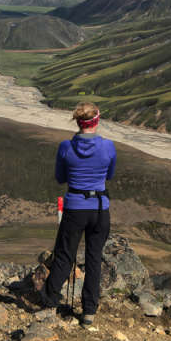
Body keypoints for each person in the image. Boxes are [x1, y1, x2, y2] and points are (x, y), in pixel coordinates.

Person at [42, 101, 116, 324]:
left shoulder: (66, 147)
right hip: (100, 208)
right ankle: (89, 312)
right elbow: (109, 175)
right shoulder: (108, 147)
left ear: (78, 122)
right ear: (97, 120)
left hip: (74, 207)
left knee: (65, 254)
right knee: (94, 260)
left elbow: (60, 178)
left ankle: (50, 301)